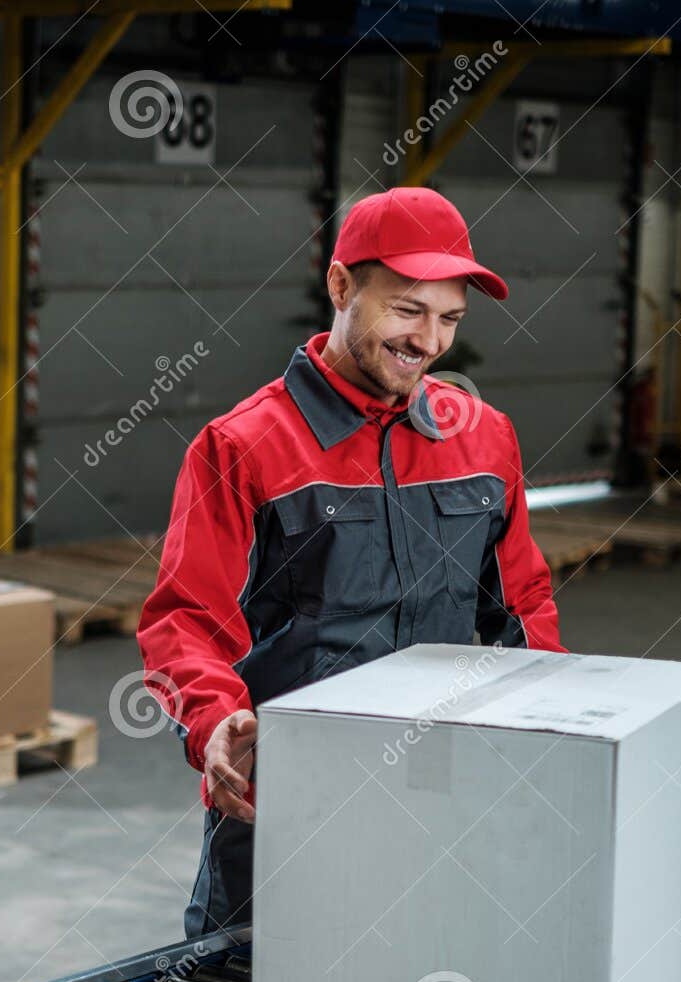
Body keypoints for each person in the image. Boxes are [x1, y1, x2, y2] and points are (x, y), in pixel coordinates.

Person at [136, 186, 566, 938]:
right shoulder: (243, 446)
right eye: (406, 309)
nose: (428, 341)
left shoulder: (485, 439)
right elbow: (185, 622)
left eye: (450, 319)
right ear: (340, 286)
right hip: (281, 808)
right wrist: (211, 721)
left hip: (440, 795)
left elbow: (521, 604)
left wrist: (557, 724)